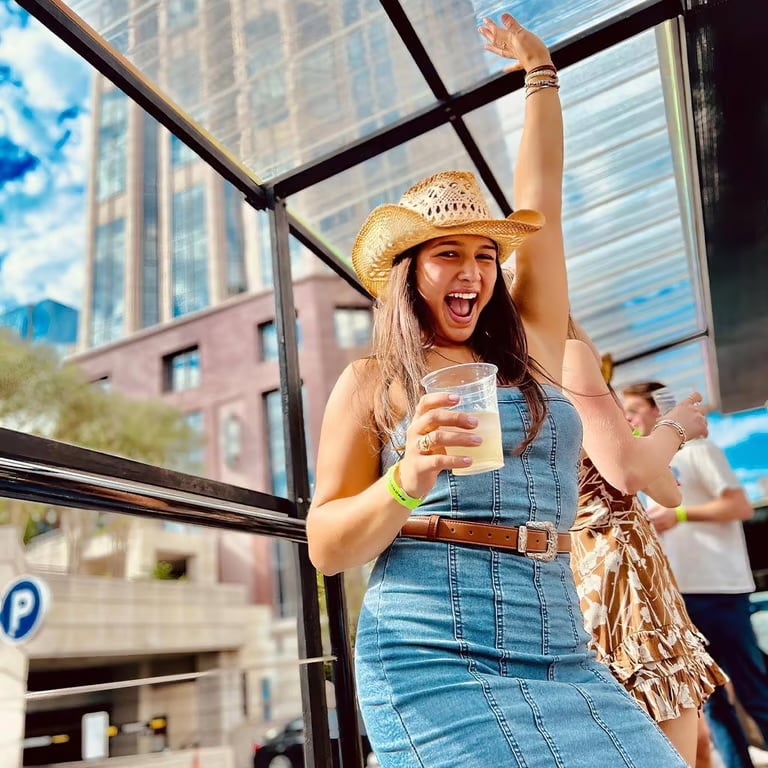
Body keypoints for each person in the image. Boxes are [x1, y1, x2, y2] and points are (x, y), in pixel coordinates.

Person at [307, 13, 689, 767]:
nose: (473, 272)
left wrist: (540, 76)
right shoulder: (371, 382)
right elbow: (326, 545)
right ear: (410, 273)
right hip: (427, 652)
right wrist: (408, 477)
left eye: (485, 255)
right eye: (448, 254)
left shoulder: (534, 349)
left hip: (558, 639)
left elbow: (543, 203)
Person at [562, 334, 727, 767]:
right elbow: (634, 475)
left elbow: (665, 491)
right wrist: (676, 426)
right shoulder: (568, 356)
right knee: (673, 748)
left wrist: (655, 437)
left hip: (589, 577)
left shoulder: (522, 374)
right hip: (625, 578)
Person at [624, 381, 766, 768]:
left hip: (719, 589)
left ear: (658, 410)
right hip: (679, 598)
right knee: (712, 703)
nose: (629, 419)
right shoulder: (649, 467)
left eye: (634, 410)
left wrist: (682, 515)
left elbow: (740, 506)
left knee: (754, 691)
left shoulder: (700, 451)